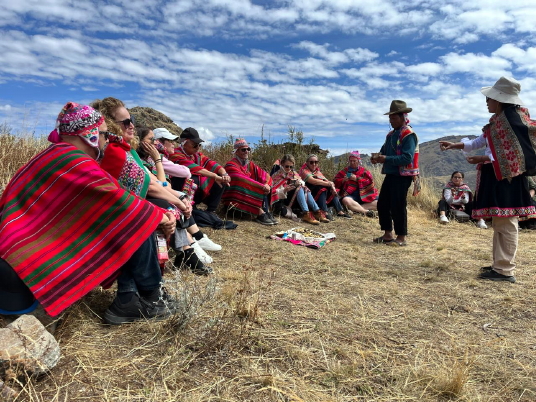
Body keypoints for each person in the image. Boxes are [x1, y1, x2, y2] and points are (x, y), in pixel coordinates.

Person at [0, 102, 178, 324]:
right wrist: (162, 217)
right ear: (91, 135)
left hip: (10, 257)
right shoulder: (77, 162)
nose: (105, 140)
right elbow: (122, 202)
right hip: (23, 272)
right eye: (103, 134)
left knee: (137, 214)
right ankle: (146, 297)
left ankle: (135, 297)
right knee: (137, 220)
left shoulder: (48, 156)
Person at [91, 97, 211, 275]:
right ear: (110, 124)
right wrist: (177, 199)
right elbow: (150, 186)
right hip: (118, 206)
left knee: (173, 201)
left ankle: (187, 249)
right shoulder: (114, 151)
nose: (132, 125)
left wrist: (179, 197)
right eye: (125, 122)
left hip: (133, 199)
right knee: (167, 207)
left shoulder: (126, 150)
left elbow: (155, 182)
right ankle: (184, 251)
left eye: (131, 120)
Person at [439, 76, 536, 283]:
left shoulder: (512, 121)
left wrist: (483, 158)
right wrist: (454, 145)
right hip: (497, 176)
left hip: (508, 178)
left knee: (507, 222)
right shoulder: (498, 123)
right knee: (500, 222)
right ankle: (499, 264)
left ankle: (505, 270)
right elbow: (480, 142)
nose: (487, 102)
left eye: (490, 98)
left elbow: (514, 153)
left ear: (500, 100)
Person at [136, 127, 221, 262]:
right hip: (146, 196)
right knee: (172, 202)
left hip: (160, 191)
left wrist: (221, 173)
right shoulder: (157, 157)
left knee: (182, 196)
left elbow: (164, 184)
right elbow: (182, 173)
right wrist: (158, 160)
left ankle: (193, 241)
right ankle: (190, 246)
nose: (198, 148)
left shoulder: (154, 158)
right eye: (152, 140)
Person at [371, 100, 419, 246]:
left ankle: (401, 237)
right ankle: (387, 234)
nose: (391, 121)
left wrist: (386, 159)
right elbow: (384, 150)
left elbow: (407, 157)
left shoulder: (408, 134)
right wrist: (378, 157)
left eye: (394, 118)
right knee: (383, 204)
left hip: (403, 175)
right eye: (390, 118)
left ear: (403, 117)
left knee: (398, 205)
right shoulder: (391, 135)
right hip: (392, 173)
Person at [168, 127, 230, 214]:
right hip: (178, 188)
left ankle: (211, 211)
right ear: (184, 142)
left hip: (194, 190)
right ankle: (188, 205)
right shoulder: (175, 153)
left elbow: (212, 164)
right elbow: (194, 168)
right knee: (193, 180)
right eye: (194, 144)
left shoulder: (197, 156)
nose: (197, 147)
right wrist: (215, 176)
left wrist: (224, 174)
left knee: (220, 182)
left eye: (199, 145)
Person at [221, 138, 277, 225]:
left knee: (265, 183)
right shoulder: (231, 165)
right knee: (244, 184)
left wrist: (267, 185)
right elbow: (241, 179)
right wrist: (261, 187)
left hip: (245, 197)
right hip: (234, 202)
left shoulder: (250, 164)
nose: (246, 151)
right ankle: (259, 212)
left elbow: (265, 175)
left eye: (248, 149)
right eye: (243, 150)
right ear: (236, 151)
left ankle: (266, 211)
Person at [271, 154, 322, 225]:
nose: (289, 168)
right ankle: (307, 213)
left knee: (302, 187)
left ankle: (316, 211)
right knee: (300, 188)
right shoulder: (277, 174)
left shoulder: (293, 173)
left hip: (292, 198)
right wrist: (284, 190)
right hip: (281, 199)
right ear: (282, 164)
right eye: (287, 166)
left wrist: (298, 183)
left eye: (291, 167)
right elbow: (272, 191)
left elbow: (302, 182)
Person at [299, 154, 352, 221]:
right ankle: (324, 212)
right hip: (309, 193)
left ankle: (339, 211)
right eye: (311, 162)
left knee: (329, 188)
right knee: (322, 188)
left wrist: (332, 187)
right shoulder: (304, 171)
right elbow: (313, 181)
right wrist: (328, 184)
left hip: (319, 191)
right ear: (307, 163)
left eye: (316, 162)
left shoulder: (317, 172)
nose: (314, 164)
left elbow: (329, 181)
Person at [334, 151, 378, 217]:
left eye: (354, 161)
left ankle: (356, 210)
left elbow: (370, 182)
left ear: (358, 161)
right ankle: (366, 212)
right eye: (350, 161)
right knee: (346, 200)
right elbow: (335, 181)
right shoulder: (344, 171)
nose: (352, 163)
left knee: (381, 202)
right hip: (350, 195)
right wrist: (343, 180)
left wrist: (357, 179)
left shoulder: (364, 171)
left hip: (364, 195)